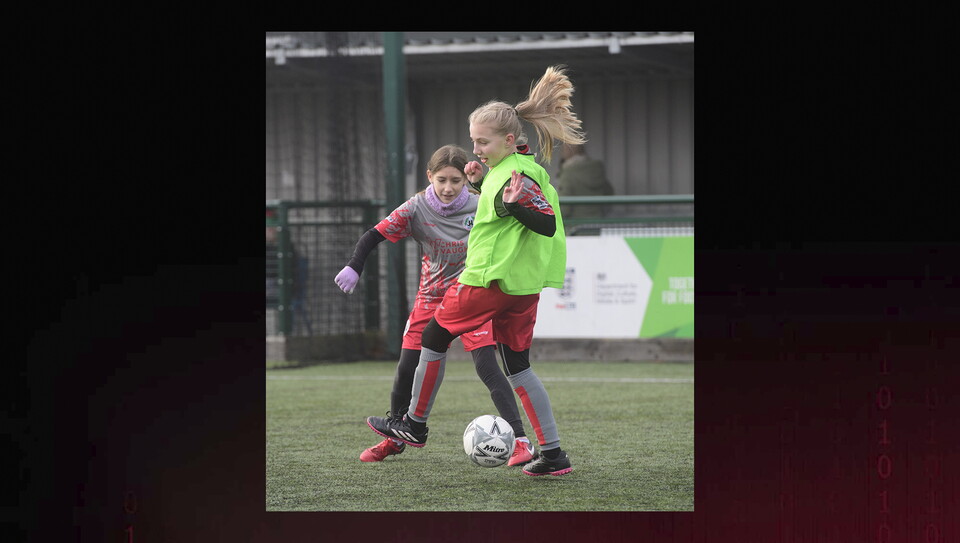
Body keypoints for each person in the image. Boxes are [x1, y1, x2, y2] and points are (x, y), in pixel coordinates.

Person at [367, 66, 585, 476]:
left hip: (490, 279)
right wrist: (487, 183)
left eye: (482, 142)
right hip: (522, 285)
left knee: (433, 334)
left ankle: (413, 424)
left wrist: (516, 202)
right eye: (473, 141)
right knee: (517, 364)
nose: (476, 149)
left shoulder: (514, 176)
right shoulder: (518, 167)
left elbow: (544, 222)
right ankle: (553, 455)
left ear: (507, 139)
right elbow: (510, 207)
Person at [334, 144, 536, 466]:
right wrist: (355, 265)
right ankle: (397, 436)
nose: (448, 187)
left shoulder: (479, 204)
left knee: (486, 365)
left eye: (455, 180)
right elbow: (373, 235)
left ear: (464, 180)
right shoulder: (416, 208)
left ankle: (521, 439)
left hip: (472, 295)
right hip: (430, 298)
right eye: (441, 179)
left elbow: (513, 224)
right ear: (429, 176)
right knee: (406, 368)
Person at [554, 143, 614, 220]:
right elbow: (609, 192)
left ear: (568, 152)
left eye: (562, 150)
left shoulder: (568, 173)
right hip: (596, 224)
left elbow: (564, 208)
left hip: (574, 226)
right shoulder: (596, 170)